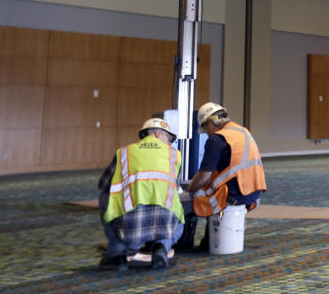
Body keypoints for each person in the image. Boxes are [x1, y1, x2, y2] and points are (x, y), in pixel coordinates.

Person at [98, 118, 184, 271]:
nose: (170, 143)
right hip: (165, 224)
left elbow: (103, 184)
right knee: (177, 203)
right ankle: (161, 247)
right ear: (157, 134)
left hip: (128, 224)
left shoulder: (125, 152)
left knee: (105, 196)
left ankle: (117, 253)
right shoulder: (174, 155)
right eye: (169, 138)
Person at [185, 102, 266, 252]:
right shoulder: (243, 131)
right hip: (253, 193)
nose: (206, 133)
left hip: (235, 195)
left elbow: (203, 177)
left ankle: (182, 244)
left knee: (187, 201)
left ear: (210, 123)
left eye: (205, 127)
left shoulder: (216, 140)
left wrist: (188, 190)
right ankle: (209, 240)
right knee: (211, 188)